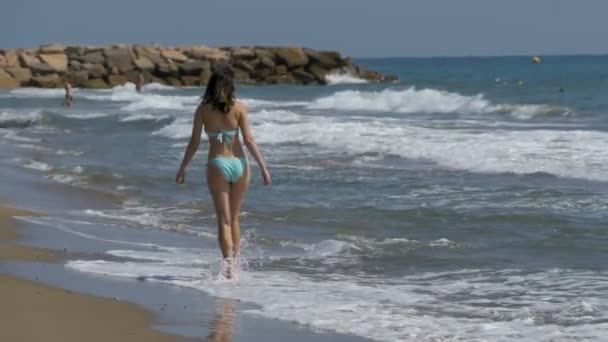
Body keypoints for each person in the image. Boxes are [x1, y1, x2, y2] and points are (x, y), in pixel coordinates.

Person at [176, 70, 271, 278]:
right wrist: (263, 168)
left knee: (224, 220)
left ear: (210, 86)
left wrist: (183, 167)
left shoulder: (203, 110)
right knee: (235, 218)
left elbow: (193, 143)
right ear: (231, 86)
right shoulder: (239, 108)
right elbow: (249, 141)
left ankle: (228, 266)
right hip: (240, 164)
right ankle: (235, 266)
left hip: (218, 164)